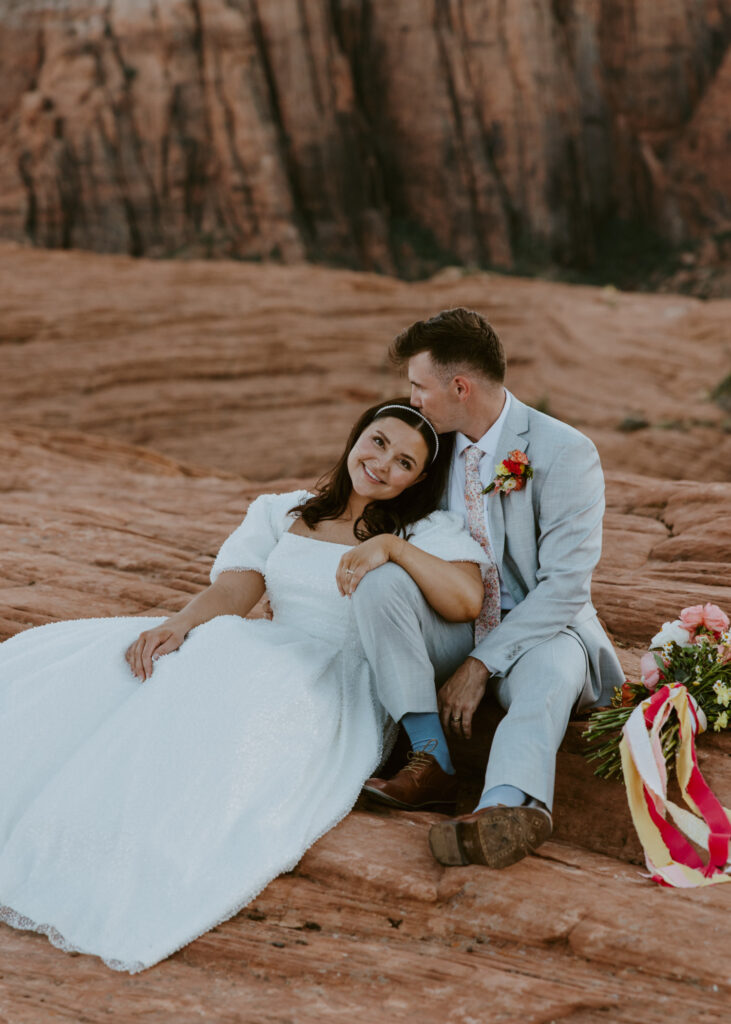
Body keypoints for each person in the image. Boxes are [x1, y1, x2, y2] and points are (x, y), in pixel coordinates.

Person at [0, 399, 488, 972]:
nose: (382, 464)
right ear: (357, 436)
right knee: (118, 671)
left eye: (404, 462)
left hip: (337, 676)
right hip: (263, 645)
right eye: (377, 442)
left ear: (419, 479)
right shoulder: (281, 511)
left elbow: (466, 600)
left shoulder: (427, 527)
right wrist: (178, 624)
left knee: (241, 715)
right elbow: (238, 589)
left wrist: (394, 547)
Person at [360, 308, 625, 869]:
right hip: (454, 619)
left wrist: (480, 666)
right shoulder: (430, 448)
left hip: (540, 628)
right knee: (381, 584)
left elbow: (565, 589)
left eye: (419, 387)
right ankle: (430, 760)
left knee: (551, 672)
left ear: (460, 387)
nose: (412, 400)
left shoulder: (564, 452)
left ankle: (507, 807)